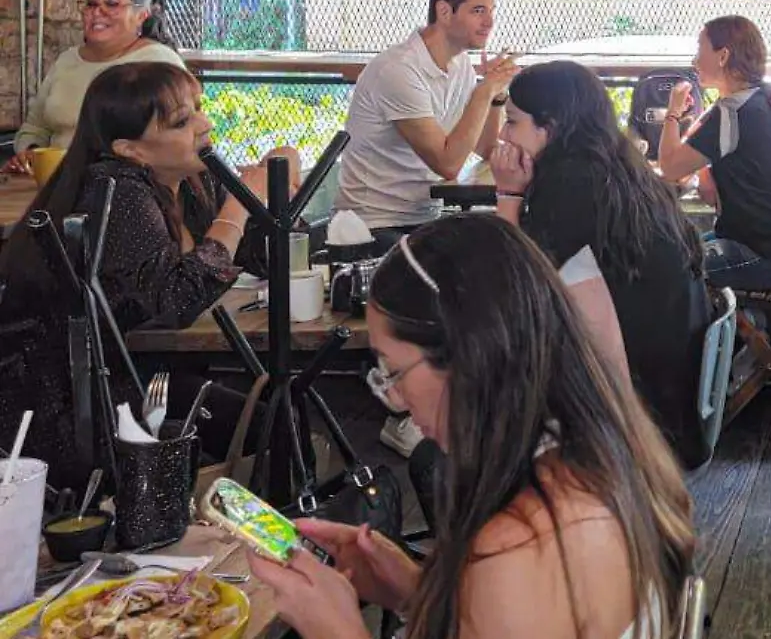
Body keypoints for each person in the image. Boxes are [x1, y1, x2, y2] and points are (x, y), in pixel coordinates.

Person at [249, 214, 695, 639]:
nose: (395, 398)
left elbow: (518, 597)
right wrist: (417, 591)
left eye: (393, 370)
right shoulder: (600, 451)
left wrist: (337, 629)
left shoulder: (521, 548)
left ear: (469, 359)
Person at [0, 62, 289, 490]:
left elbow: (252, 258)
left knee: (279, 411)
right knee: (268, 426)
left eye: (198, 108)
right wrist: (238, 211)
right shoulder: (116, 190)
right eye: (182, 120)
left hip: (138, 368)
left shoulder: (191, 178)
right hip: (72, 399)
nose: (204, 123)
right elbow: (176, 300)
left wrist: (276, 190)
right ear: (130, 149)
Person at [490, 61, 714, 467]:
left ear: (552, 127)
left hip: (637, 418)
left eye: (512, 122)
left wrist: (508, 194)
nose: (503, 135)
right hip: (676, 404)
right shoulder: (620, 167)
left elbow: (515, 288)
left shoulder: (570, 184)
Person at [333, 0, 517, 248]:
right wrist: (484, 90)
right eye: (478, 11)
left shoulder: (460, 65)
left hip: (426, 216)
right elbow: (448, 164)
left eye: (492, 11)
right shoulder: (399, 70)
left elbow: (484, 148)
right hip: (375, 225)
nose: (490, 21)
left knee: (497, 248)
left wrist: (496, 96)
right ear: (444, 12)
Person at [657, 16, 771, 293]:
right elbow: (702, 179)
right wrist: (702, 165)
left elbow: (670, 169)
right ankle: (743, 325)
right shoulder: (755, 99)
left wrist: (673, 112)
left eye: (700, 49)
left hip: (766, 258)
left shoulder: (733, 112)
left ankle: (735, 329)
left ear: (723, 56)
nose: (694, 61)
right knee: (671, 256)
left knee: (668, 268)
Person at [5, 0, 186, 168]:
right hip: (55, 185)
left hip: (127, 187)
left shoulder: (158, 62)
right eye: (91, 3)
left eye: (111, 4)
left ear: (141, 16)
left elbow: (179, 136)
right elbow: (34, 128)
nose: (97, 12)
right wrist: (31, 153)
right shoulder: (67, 61)